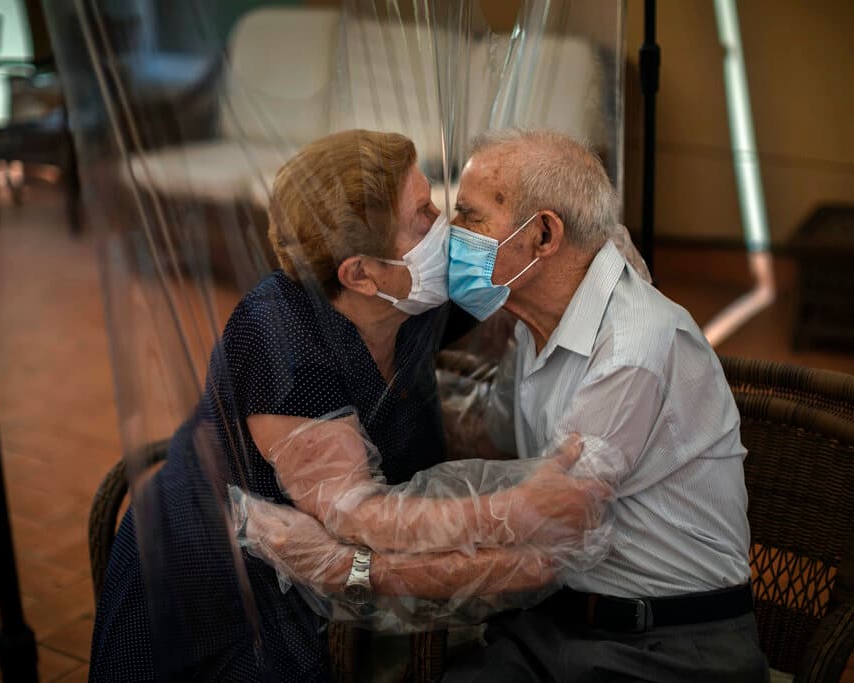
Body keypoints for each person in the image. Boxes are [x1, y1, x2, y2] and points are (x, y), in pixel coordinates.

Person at [89, 129, 606, 682]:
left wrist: (602, 251)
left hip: (335, 606)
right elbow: (362, 523)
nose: (445, 228)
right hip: (218, 602)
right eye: (423, 216)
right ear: (360, 273)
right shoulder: (278, 339)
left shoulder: (412, 297)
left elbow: (527, 269)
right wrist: (521, 519)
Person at [438, 128, 770, 682]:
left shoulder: (634, 347)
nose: (454, 237)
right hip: (558, 621)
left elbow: (544, 522)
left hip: (668, 646)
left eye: (469, 218)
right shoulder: (531, 323)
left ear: (543, 234)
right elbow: (490, 441)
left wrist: (363, 559)